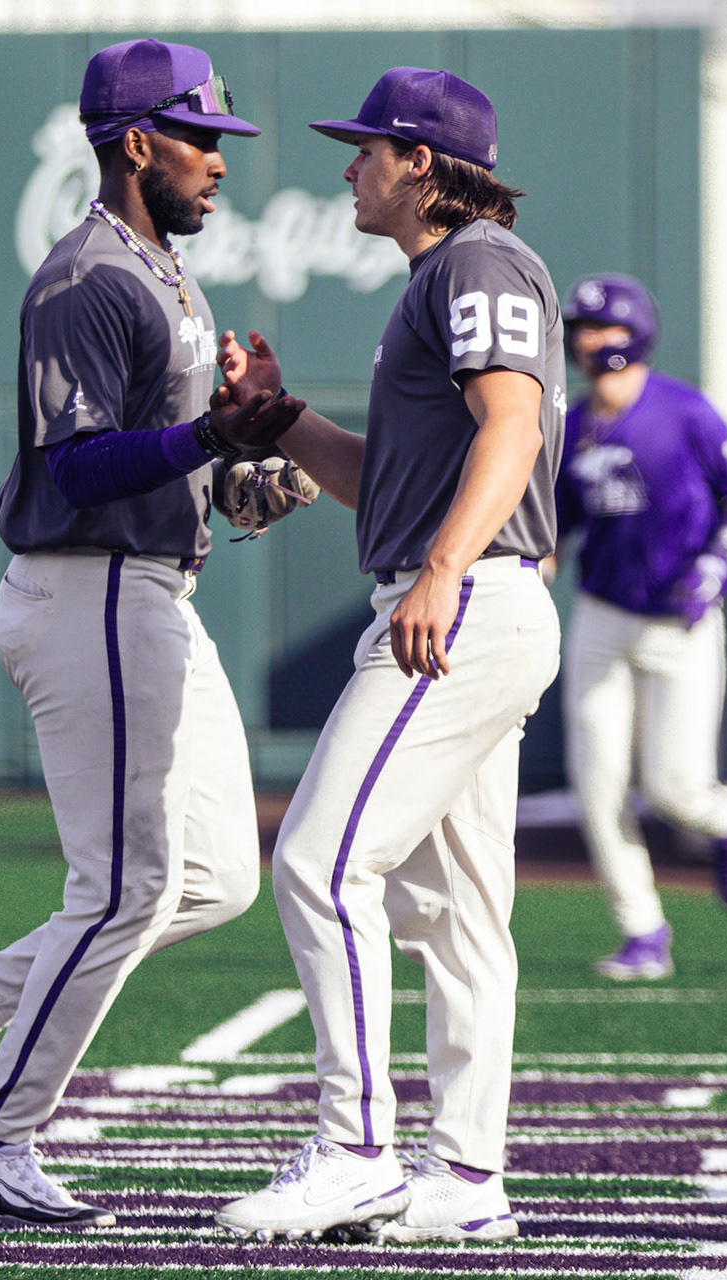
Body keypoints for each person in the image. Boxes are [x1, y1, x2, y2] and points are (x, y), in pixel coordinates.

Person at [0, 40, 304, 1231]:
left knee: (210, 877)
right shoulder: (85, 278)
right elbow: (76, 464)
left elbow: (176, 462)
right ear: (133, 143)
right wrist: (208, 442)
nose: (219, 161)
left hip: (153, 589)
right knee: (125, 886)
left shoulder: (165, 270)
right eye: (200, 137)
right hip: (91, 590)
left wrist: (247, 471)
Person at [212, 66, 563, 1244]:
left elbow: (513, 421)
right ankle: (465, 1173)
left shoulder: (476, 261)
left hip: (467, 603)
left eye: (364, 148)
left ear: (419, 162)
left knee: (318, 860)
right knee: (457, 913)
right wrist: (283, 421)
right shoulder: (439, 277)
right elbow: (387, 486)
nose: (347, 166)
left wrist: (448, 569)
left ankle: (356, 1148)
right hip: (470, 596)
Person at [553, 274, 727, 982]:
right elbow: (557, 523)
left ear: (635, 334)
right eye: (583, 328)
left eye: (605, 328)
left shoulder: (684, 411)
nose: (593, 342)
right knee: (598, 783)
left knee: (676, 790)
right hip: (604, 613)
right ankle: (642, 929)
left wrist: (720, 559)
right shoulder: (575, 422)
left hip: (681, 616)